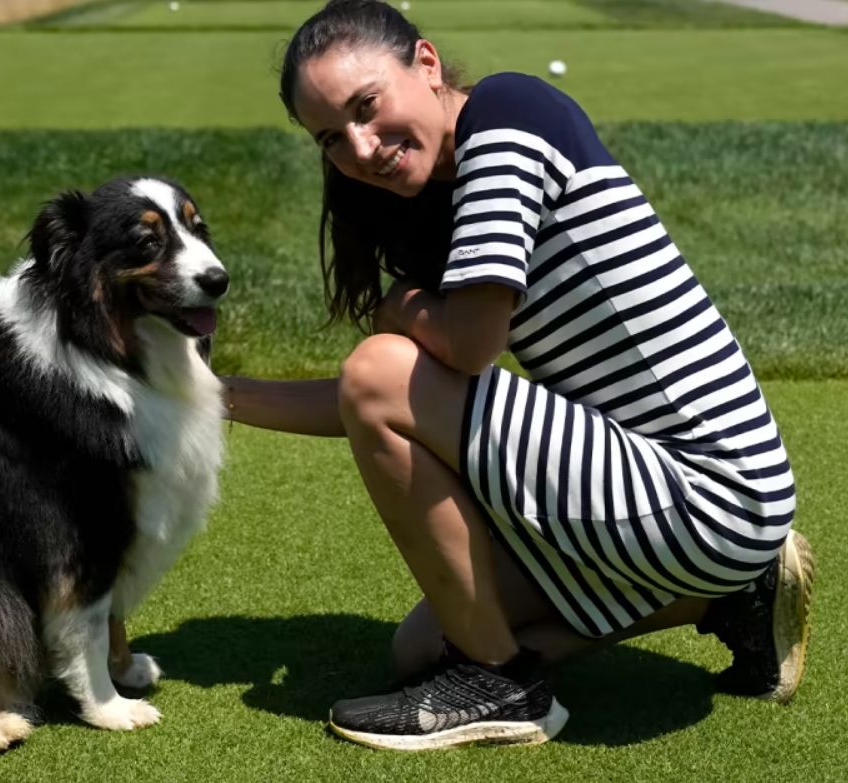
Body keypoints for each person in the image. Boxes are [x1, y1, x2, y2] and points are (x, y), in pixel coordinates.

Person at [220, 0, 813, 751]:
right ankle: (733, 598)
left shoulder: (506, 115)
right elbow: (381, 401)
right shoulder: (434, 205)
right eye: (332, 138)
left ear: (427, 64)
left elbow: (463, 348)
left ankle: (500, 682)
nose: (362, 147)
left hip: (710, 488)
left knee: (379, 370)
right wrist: (220, 397)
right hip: (662, 494)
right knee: (417, 652)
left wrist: (401, 307)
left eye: (367, 107)